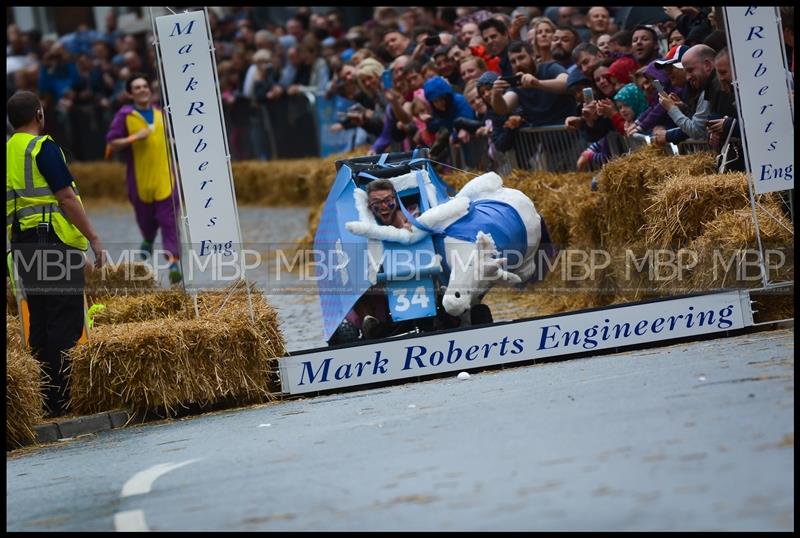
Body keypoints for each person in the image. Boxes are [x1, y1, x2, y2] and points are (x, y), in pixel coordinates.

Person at [7, 90, 106, 417]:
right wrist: (92, 237)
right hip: (51, 243)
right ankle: (62, 399)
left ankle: (44, 399)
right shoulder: (43, 148)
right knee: (64, 319)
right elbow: (65, 198)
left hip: (21, 245)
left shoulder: (7, 151)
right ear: (39, 115)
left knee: (40, 320)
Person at [106, 73, 182, 284]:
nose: (142, 90)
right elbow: (111, 144)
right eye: (137, 87)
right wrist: (134, 138)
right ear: (130, 93)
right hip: (140, 180)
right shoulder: (125, 115)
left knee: (169, 220)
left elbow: (167, 137)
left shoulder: (160, 113)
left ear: (150, 90)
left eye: (144, 86)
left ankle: (174, 261)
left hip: (165, 177)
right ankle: (148, 237)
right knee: (146, 219)